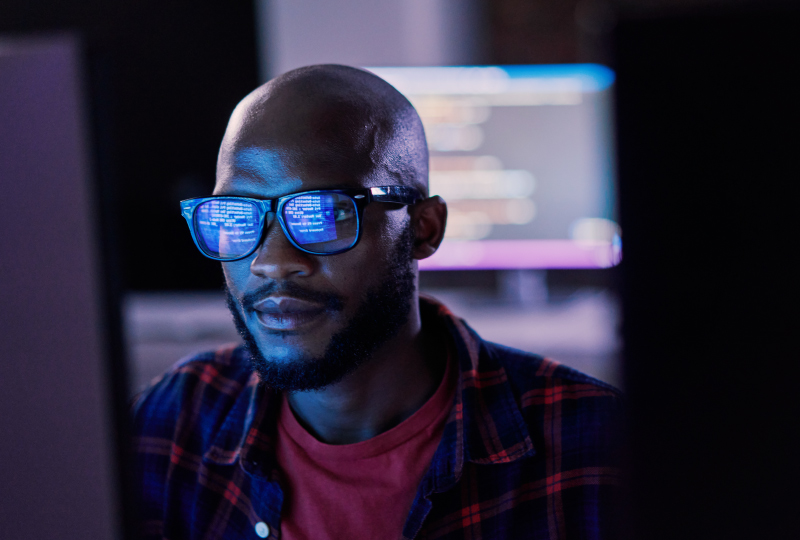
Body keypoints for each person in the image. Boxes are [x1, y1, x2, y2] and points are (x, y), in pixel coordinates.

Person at [132, 64, 626, 540]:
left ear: (423, 228)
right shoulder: (173, 422)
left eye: (323, 213)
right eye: (237, 215)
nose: (272, 262)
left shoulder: (595, 445)